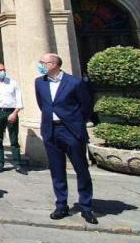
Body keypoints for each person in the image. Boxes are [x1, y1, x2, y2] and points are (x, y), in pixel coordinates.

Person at [36, 53, 96, 224]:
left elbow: (86, 107)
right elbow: (43, 105)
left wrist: (74, 122)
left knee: (81, 169)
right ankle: (61, 204)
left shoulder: (75, 82)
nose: (41, 65)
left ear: (54, 64)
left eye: (43, 62)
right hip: (50, 130)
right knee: (56, 170)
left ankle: (86, 206)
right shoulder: (39, 82)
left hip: (71, 131)